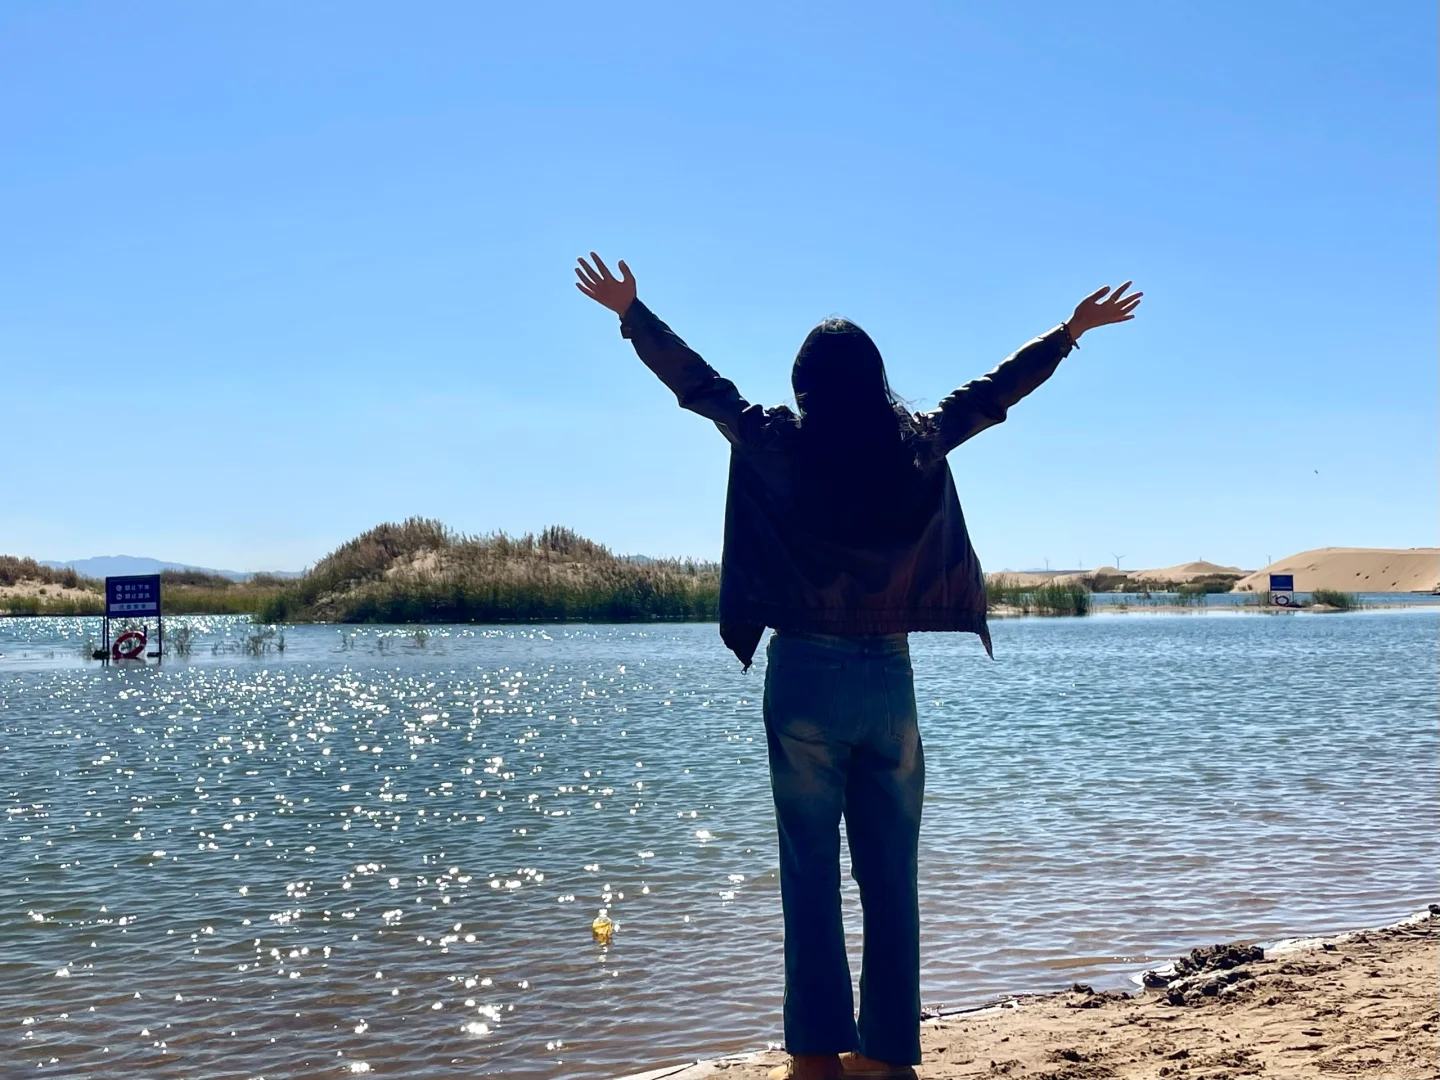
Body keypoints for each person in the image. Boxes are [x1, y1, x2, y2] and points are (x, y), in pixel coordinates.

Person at [574, 253, 1140, 1080]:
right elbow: (991, 395)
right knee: (891, 876)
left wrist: (633, 312)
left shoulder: (774, 441)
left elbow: (701, 388)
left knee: (809, 871)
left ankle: (813, 1058)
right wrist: (1070, 334)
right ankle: (887, 1057)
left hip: (803, 674)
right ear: (876, 381)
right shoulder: (913, 442)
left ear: (804, 384)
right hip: (888, 681)